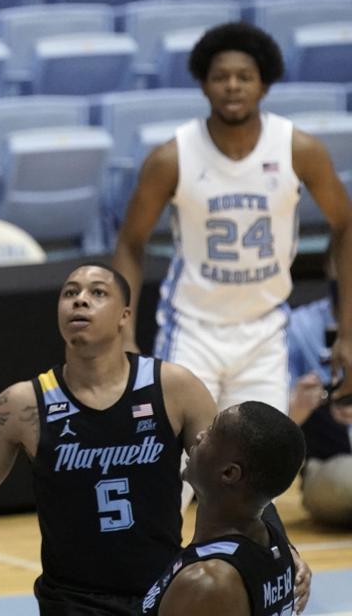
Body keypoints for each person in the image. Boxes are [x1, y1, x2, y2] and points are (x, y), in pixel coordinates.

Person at [0, 264, 309, 615]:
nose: (80, 301)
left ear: (123, 316)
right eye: (70, 292)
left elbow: (242, 478)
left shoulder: (172, 387)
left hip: (167, 589)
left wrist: (285, 554)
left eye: (97, 293)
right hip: (73, 602)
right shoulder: (20, 406)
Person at [112, 21, 352, 416]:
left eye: (245, 77)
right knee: (184, 469)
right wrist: (125, 334)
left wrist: (347, 329)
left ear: (264, 85)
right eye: (220, 77)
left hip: (265, 330)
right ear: (204, 85)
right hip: (192, 329)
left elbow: (345, 224)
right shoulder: (172, 158)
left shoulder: (299, 150)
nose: (233, 86)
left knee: (256, 470)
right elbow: (129, 242)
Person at [140, 401, 307, 615]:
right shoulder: (274, 542)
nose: (199, 435)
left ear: (229, 473)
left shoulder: (206, 584)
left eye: (211, 432)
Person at [286, 256, 352, 528]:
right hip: (330, 467)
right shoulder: (298, 326)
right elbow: (267, 428)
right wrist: (297, 408)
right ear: (330, 268)